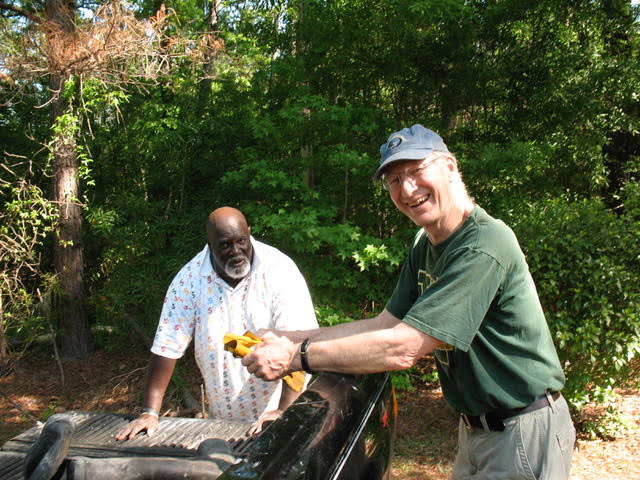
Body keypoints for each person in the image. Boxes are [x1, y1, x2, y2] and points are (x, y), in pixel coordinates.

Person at [241, 125, 576, 479]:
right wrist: (290, 337)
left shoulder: (484, 243)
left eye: (416, 171)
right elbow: (385, 324)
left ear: (449, 166)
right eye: (394, 180)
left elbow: (404, 347)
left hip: (522, 430)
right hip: (475, 432)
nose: (407, 188)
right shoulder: (425, 243)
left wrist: (295, 357)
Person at [116, 206, 318, 440]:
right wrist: (149, 412)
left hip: (282, 412)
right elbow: (166, 346)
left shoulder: (279, 270)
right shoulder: (189, 281)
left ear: (249, 233)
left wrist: (283, 411)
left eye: (242, 241)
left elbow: (298, 344)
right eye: (224, 245)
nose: (236, 251)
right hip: (222, 421)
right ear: (209, 243)